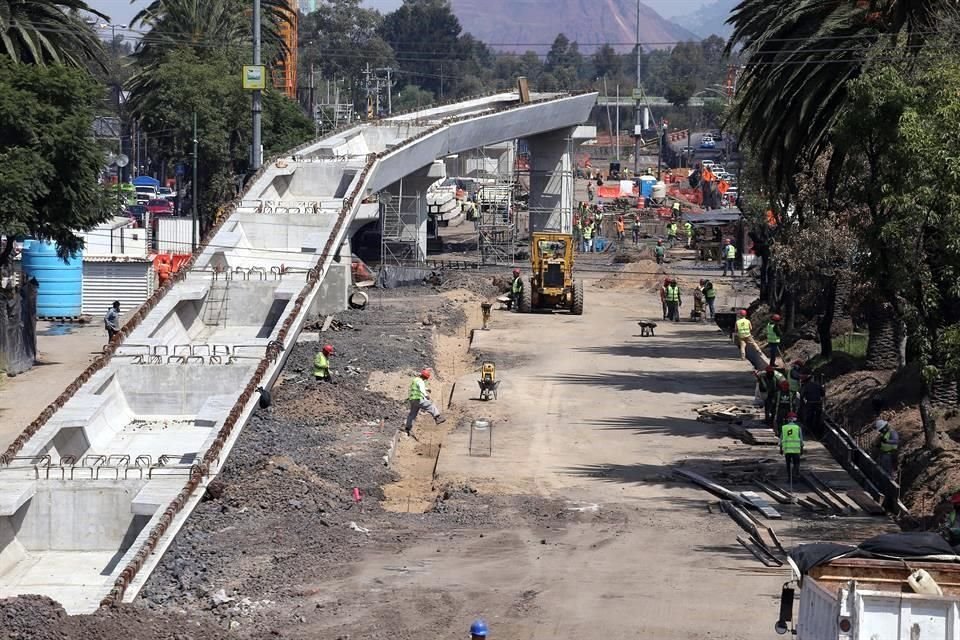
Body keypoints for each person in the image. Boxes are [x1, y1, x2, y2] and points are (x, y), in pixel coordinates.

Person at [405, 368, 446, 436]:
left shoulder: (415, 380)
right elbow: (421, 388)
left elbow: (419, 387)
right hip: (419, 399)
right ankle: (437, 418)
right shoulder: (421, 381)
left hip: (412, 400)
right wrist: (426, 395)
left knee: (412, 414)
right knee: (430, 406)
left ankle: (407, 428)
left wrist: (427, 389)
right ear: (425, 377)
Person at [779, 412, 803, 482]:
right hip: (796, 450)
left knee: (788, 464)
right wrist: (801, 449)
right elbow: (801, 439)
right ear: (794, 419)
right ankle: (795, 478)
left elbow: (781, 439)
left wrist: (781, 449)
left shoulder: (784, 428)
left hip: (787, 450)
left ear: (788, 419)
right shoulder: (798, 428)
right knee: (796, 464)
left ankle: (789, 479)